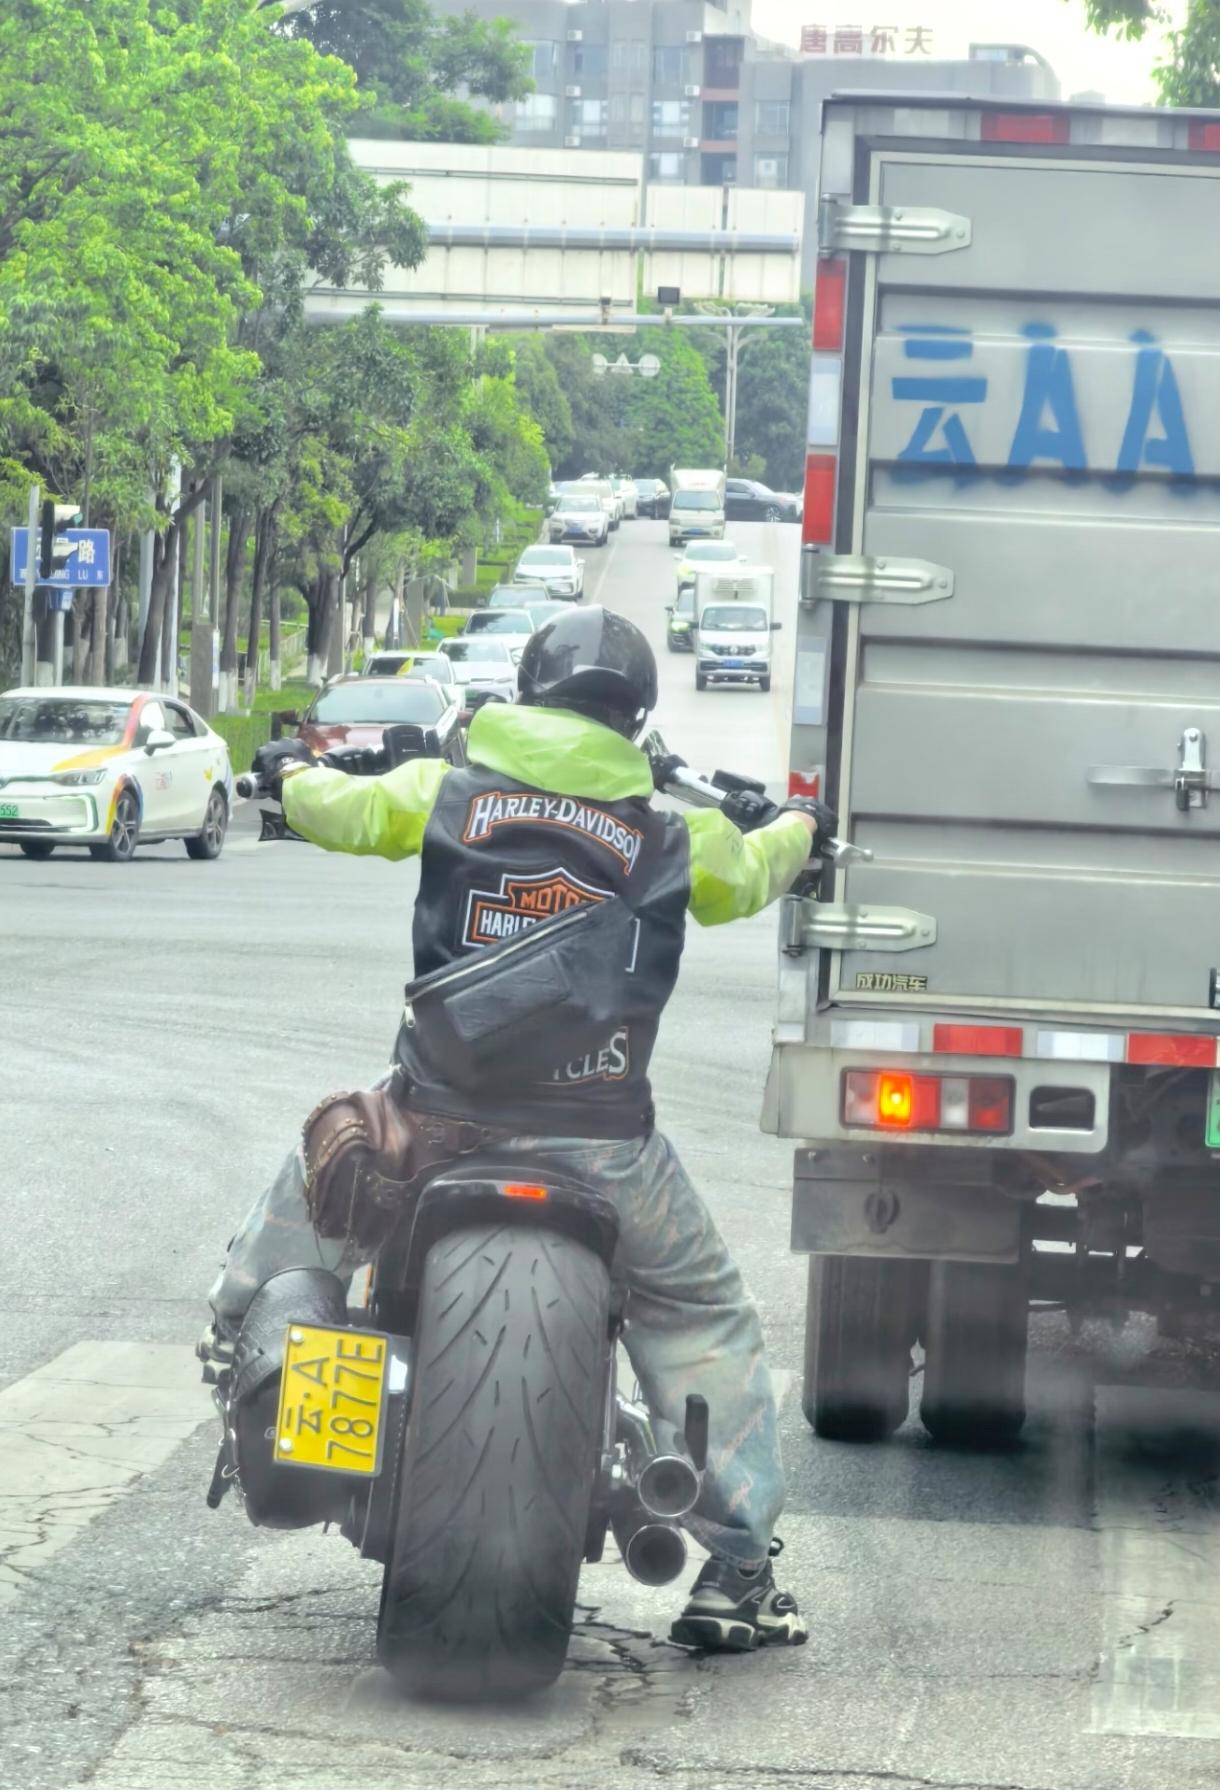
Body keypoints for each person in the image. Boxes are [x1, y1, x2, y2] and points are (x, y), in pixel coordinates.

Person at [202, 606, 835, 1652]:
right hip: (602, 1138)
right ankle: (735, 1567)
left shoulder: (449, 788)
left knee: (330, 1159)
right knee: (702, 1314)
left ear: (530, 692)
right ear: (635, 713)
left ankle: (232, 1330)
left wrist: (285, 775)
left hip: (436, 1116)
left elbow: (339, 811)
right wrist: (801, 831)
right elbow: (753, 873)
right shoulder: (675, 829)